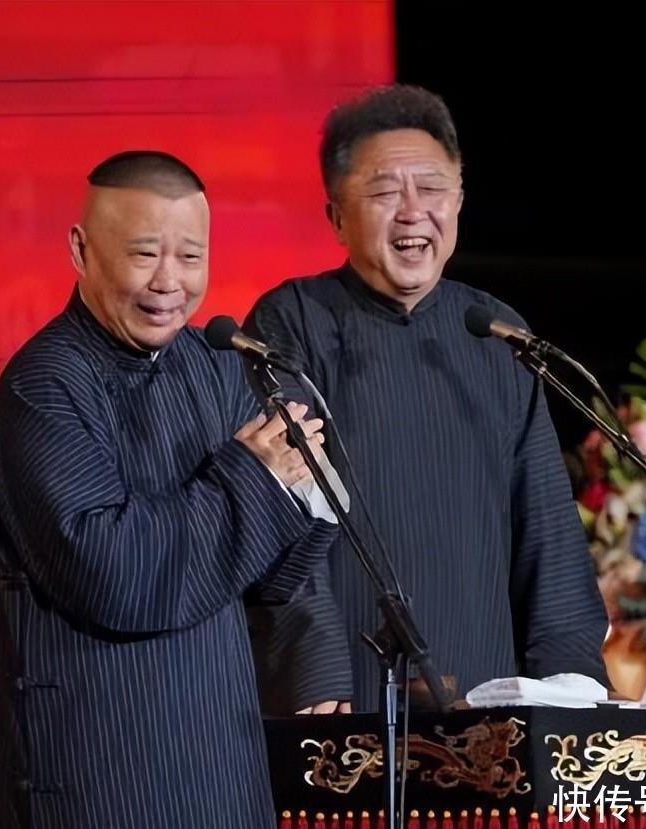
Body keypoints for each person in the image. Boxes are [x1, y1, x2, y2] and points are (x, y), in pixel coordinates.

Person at [0, 150, 338, 828]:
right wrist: (258, 478)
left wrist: (308, 481)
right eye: (144, 254)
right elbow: (115, 573)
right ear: (80, 249)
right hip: (98, 767)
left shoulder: (215, 366)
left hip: (218, 757)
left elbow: (270, 580)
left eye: (190, 257)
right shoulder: (44, 387)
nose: (169, 281)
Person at [245, 85, 610, 716]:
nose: (413, 212)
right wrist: (315, 675)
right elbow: (286, 514)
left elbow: (548, 532)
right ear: (336, 216)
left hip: (488, 698)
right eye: (385, 193)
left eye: (434, 188)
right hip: (350, 698)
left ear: (459, 201)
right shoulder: (292, 322)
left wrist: (570, 685)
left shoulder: (495, 333)